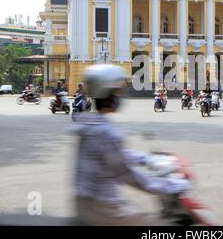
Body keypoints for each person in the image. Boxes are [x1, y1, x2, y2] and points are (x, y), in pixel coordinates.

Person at [74, 64, 190, 226]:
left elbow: (115, 155)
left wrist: (147, 158)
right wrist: (172, 185)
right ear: (108, 93)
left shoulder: (90, 124)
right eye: (118, 91)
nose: (121, 96)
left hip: (85, 203)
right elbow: (132, 177)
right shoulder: (107, 132)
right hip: (104, 209)